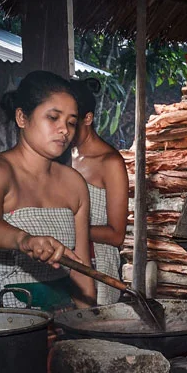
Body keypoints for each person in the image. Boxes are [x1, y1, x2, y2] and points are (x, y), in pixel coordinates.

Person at [0, 71, 95, 310]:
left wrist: (87, 324)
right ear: (22, 118)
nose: (64, 130)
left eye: (71, 122)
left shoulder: (74, 183)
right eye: (53, 118)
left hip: (57, 309)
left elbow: (81, 267)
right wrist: (23, 240)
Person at [69, 78, 129, 305]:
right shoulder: (63, 156)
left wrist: (66, 229)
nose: (64, 130)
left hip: (98, 267)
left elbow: (116, 235)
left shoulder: (110, 162)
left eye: (72, 122)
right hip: (63, 263)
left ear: (88, 118)